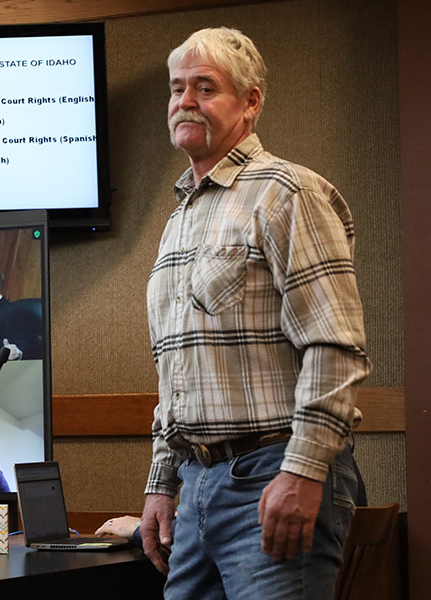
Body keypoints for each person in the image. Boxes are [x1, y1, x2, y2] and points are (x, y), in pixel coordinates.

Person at [103, 28, 371, 599]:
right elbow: (176, 376)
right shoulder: (179, 220)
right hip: (196, 484)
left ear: (250, 102)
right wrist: (161, 485)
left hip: (274, 473)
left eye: (206, 87)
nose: (186, 101)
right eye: (177, 89)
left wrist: (302, 471)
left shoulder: (287, 192)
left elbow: (335, 347)